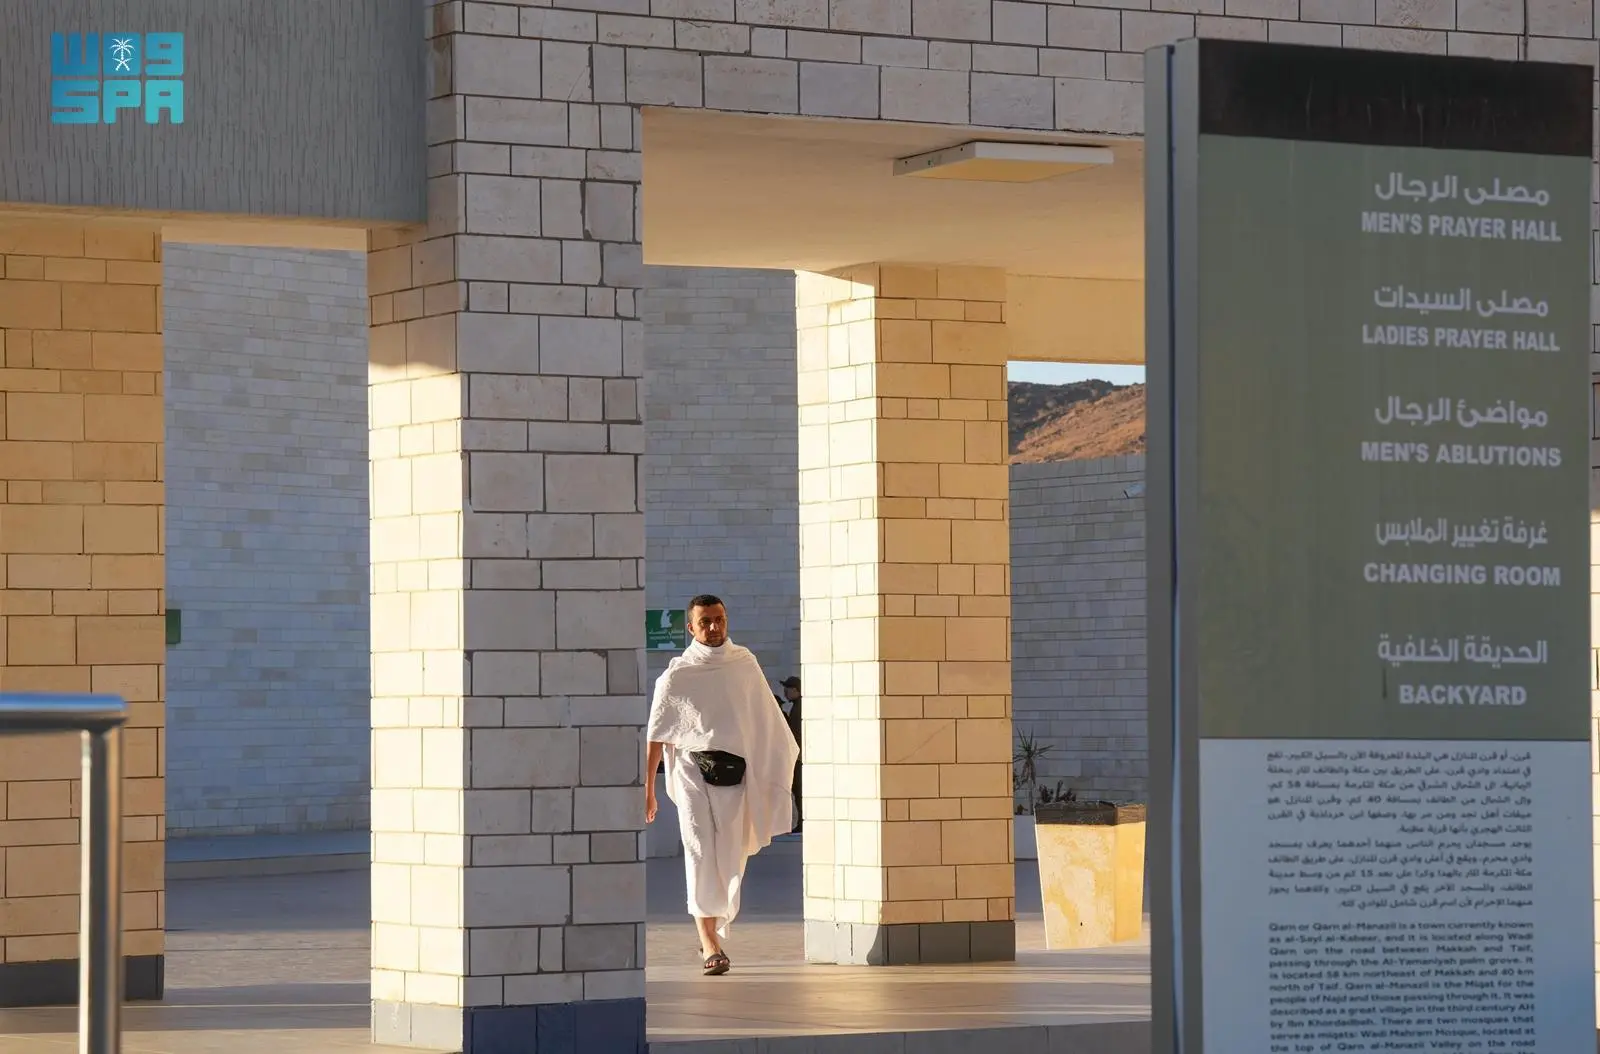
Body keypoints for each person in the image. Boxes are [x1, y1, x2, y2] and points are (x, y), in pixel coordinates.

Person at [645, 595, 798, 976]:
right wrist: (647, 790)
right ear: (691, 628)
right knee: (699, 850)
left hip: (734, 774)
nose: (714, 627)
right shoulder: (677, 675)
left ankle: (711, 926)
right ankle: (709, 940)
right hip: (690, 771)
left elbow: (764, 721)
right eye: (705, 621)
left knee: (729, 852)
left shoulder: (744, 664)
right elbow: (657, 733)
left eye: (719, 619)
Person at [777, 676, 802, 831]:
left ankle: (802, 822)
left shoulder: (799, 708)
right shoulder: (796, 707)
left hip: (799, 756)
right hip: (797, 755)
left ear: (795, 690)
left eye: (788, 688)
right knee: (797, 790)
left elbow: (797, 734)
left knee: (799, 790)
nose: (785, 692)